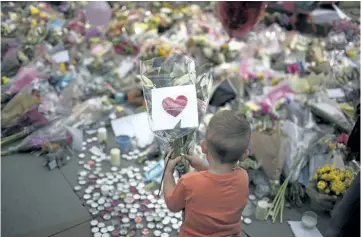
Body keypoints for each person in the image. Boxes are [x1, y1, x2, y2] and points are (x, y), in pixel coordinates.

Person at [163, 110, 251, 237]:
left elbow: (172, 204)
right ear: (244, 155)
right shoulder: (243, 177)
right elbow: (217, 180)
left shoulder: (190, 182)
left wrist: (168, 172)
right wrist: (199, 165)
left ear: (203, 146)